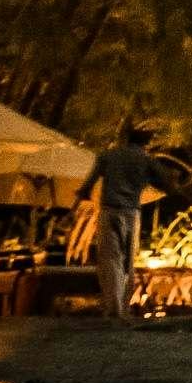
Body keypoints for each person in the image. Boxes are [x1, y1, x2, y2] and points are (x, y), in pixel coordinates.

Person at [75, 124, 164, 321]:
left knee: (110, 259)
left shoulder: (109, 156)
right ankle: (123, 308)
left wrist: (83, 194)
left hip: (109, 210)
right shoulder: (147, 160)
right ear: (145, 143)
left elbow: (89, 182)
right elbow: (164, 181)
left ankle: (113, 307)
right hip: (131, 212)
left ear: (127, 139)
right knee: (127, 260)